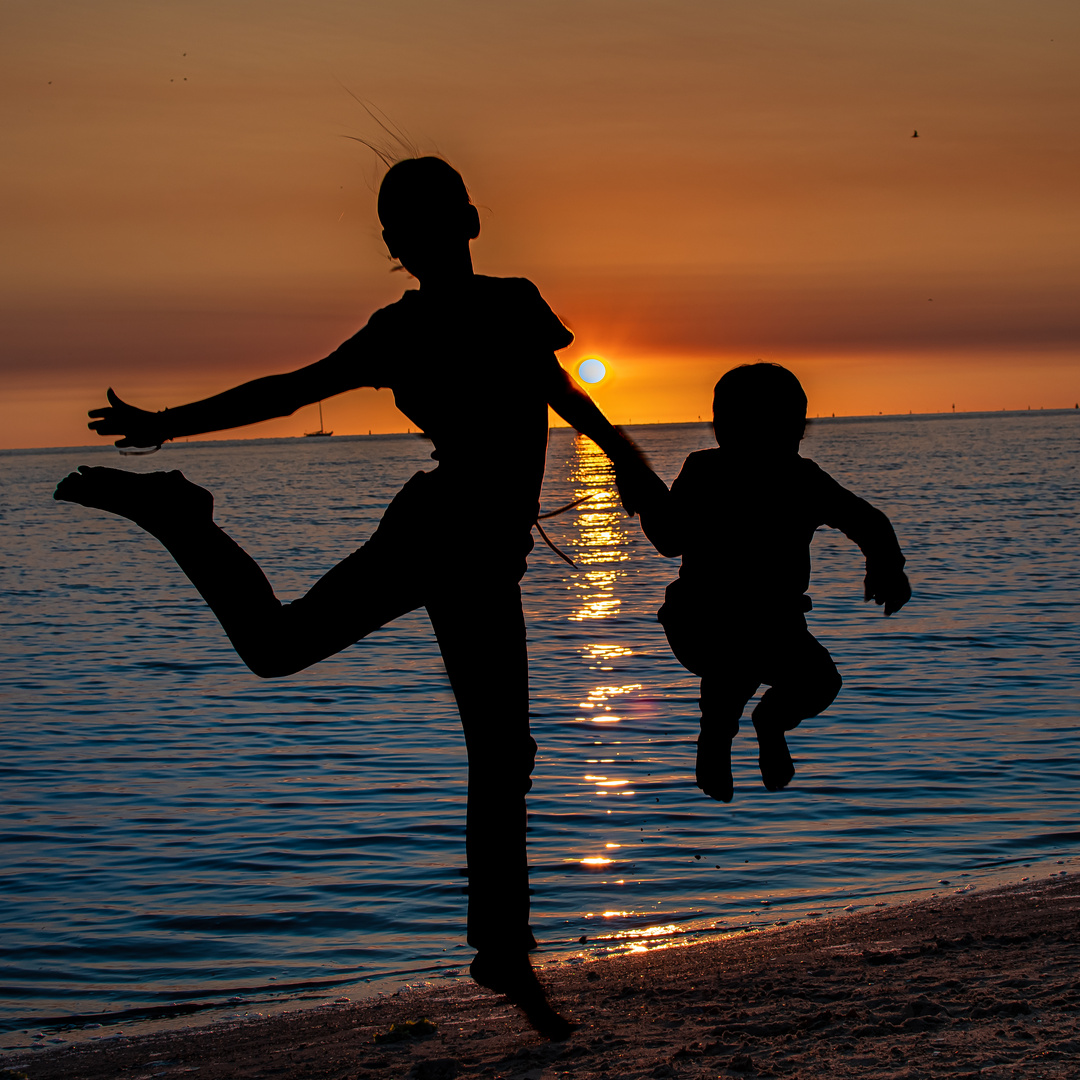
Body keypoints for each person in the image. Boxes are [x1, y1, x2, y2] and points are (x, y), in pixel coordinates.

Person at [54, 156, 657, 1038]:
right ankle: (179, 514)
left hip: (471, 544)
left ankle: (501, 948)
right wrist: (166, 422)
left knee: (339, 675)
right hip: (450, 534)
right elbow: (293, 392)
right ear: (464, 222)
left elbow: (561, 396)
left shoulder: (494, 307)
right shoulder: (435, 320)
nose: (418, 237)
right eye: (417, 224)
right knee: (476, 737)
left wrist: (635, 476)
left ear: (424, 234)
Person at [637, 362, 911, 804]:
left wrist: (887, 566)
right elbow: (671, 539)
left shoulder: (802, 479)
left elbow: (868, 522)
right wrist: (649, 502)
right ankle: (716, 738)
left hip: (778, 624)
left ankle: (770, 722)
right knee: (736, 661)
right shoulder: (707, 472)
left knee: (821, 682)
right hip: (701, 620)